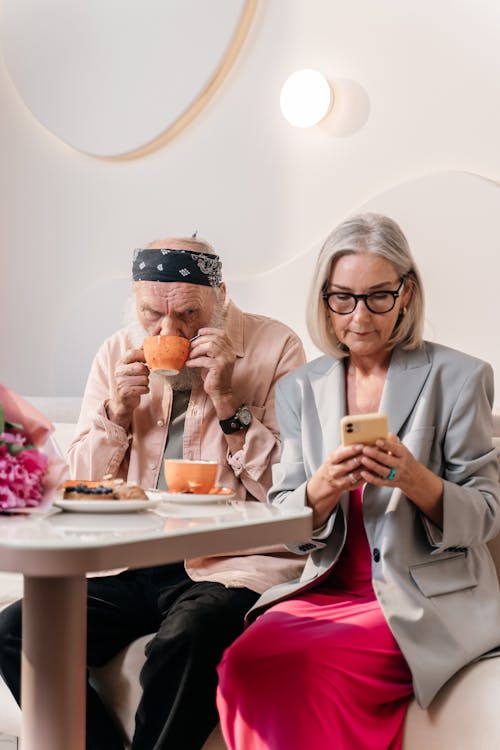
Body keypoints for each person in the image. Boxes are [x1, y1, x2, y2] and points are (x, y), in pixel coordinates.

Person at [0, 236, 307, 750]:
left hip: (227, 563)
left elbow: (289, 491)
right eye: (152, 316)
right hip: (127, 560)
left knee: (190, 636)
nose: (169, 331)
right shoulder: (117, 353)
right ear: (135, 305)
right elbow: (73, 484)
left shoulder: (276, 348)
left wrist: (229, 401)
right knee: (17, 629)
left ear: (221, 298)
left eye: (188, 315)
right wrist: (116, 416)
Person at [216, 213, 500, 750]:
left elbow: (485, 514)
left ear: (406, 293)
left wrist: (416, 480)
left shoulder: (460, 377)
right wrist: (321, 487)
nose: (359, 316)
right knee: (242, 663)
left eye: (378, 297)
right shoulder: (302, 388)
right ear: (324, 298)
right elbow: (289, 519)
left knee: (312, 671)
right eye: (342, 297)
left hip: (419, 598)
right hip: (326, 589)